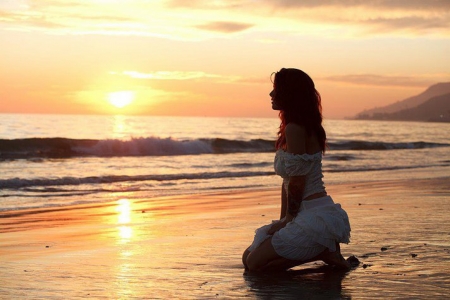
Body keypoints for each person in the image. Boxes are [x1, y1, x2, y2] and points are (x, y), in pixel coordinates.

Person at [242, 68, 351, 272]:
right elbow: (288, 182)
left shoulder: (295, 128)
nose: (271, 95)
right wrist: (284, 219)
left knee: (255, 264)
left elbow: (297, 182)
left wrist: (289, 221)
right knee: (247, 258)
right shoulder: (297, 126)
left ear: (290, 94)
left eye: (276, 89)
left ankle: (321, 252)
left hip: (312, 215)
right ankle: (321, 250)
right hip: (304, 212)